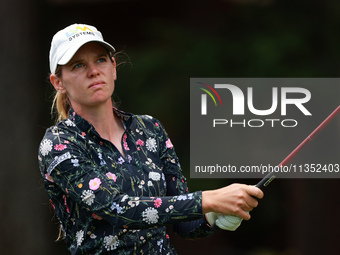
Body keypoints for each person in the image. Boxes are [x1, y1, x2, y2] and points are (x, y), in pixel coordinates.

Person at [38, 23, 263, 255]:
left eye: (101, 60)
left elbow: (183, 223)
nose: (93, 71)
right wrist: (210, 199)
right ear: (58, 82)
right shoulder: (59, 144)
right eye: (78, 65)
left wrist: (215, 216)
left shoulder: (149, 129)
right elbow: (117, 209)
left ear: (113, 67)